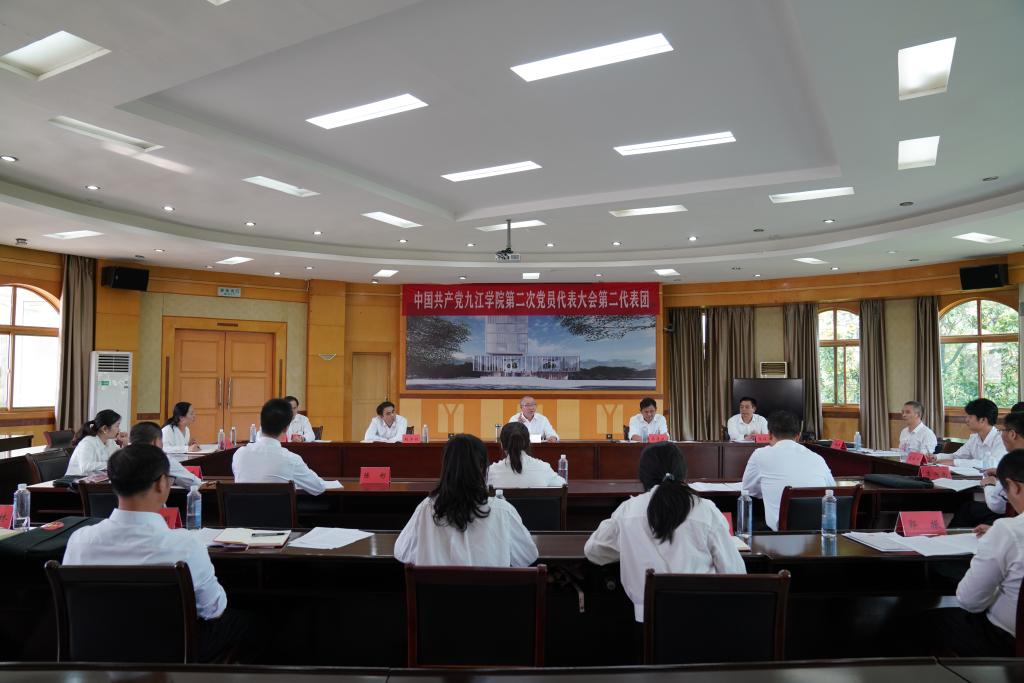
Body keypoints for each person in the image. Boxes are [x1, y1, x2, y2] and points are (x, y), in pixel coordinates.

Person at [62, 443, 248, 662]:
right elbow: (214, 610)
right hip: (170, 653)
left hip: (96, 651)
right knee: (250, 625)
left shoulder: (79, 541)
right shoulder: (185, 545)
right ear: (161, 483)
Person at [584, 442, 746, 622]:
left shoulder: (628, 510)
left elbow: (593, 551)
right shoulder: (705, 509)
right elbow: (735, 573)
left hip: (647, 622)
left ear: (643, 475)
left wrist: (628, 546)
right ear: (682, 472)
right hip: (702, 619)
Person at [927, 449, 1024, 657]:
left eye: (1005, 492)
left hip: (1006, 641)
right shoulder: (1007, 530)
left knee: (921, 624)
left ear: (1015, 487)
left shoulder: (1008, 531)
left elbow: (969, 600)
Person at [395, 434, 538, 566]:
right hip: (490, 587)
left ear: (446, 467)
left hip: (436, 587)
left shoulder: (427, 508)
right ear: (482, 467)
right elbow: (527, 556)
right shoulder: (502, 511)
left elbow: (402, 552)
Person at [740, 410, 836, 531]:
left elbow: (748, 490)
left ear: (769, 435)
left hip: (782, 534)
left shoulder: (760, 455)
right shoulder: (817, 457)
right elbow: (831, 489)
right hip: (819, 531)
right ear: (798, 436)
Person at [232, 398, 341, 495]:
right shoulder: (291, 460)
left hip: (241, 512)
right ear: (286, 428)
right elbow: (318, 488)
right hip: (276, 512)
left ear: (261, 423)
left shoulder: (239, 454)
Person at [488, 422, 566, 488]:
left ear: (502, 445)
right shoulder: (544, 468)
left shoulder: (491, 472)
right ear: (528, 443)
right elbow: (563, 484)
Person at [130, 421, 202, 488]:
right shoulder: (163, 460)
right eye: (161, 440)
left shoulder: (124, 458)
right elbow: (195, 483)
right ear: (155, 442)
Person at [65, 409, 127, 476]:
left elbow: (122, 461)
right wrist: (112, 464)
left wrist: (125, 444)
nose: (119, 429)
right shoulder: (87, 442)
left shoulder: (110, 442)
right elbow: (86, 466)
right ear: (105, 429)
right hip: (74, 479)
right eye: (117, 426)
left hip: (94, 479)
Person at [949, 399, 1006, 465]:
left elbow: (992, 464)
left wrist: (954, 462)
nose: (966, 420)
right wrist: (938, 457)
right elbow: (956, 456)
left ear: (983, 420)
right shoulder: (974, 437)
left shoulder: (1002, 439)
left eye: (970, 417)